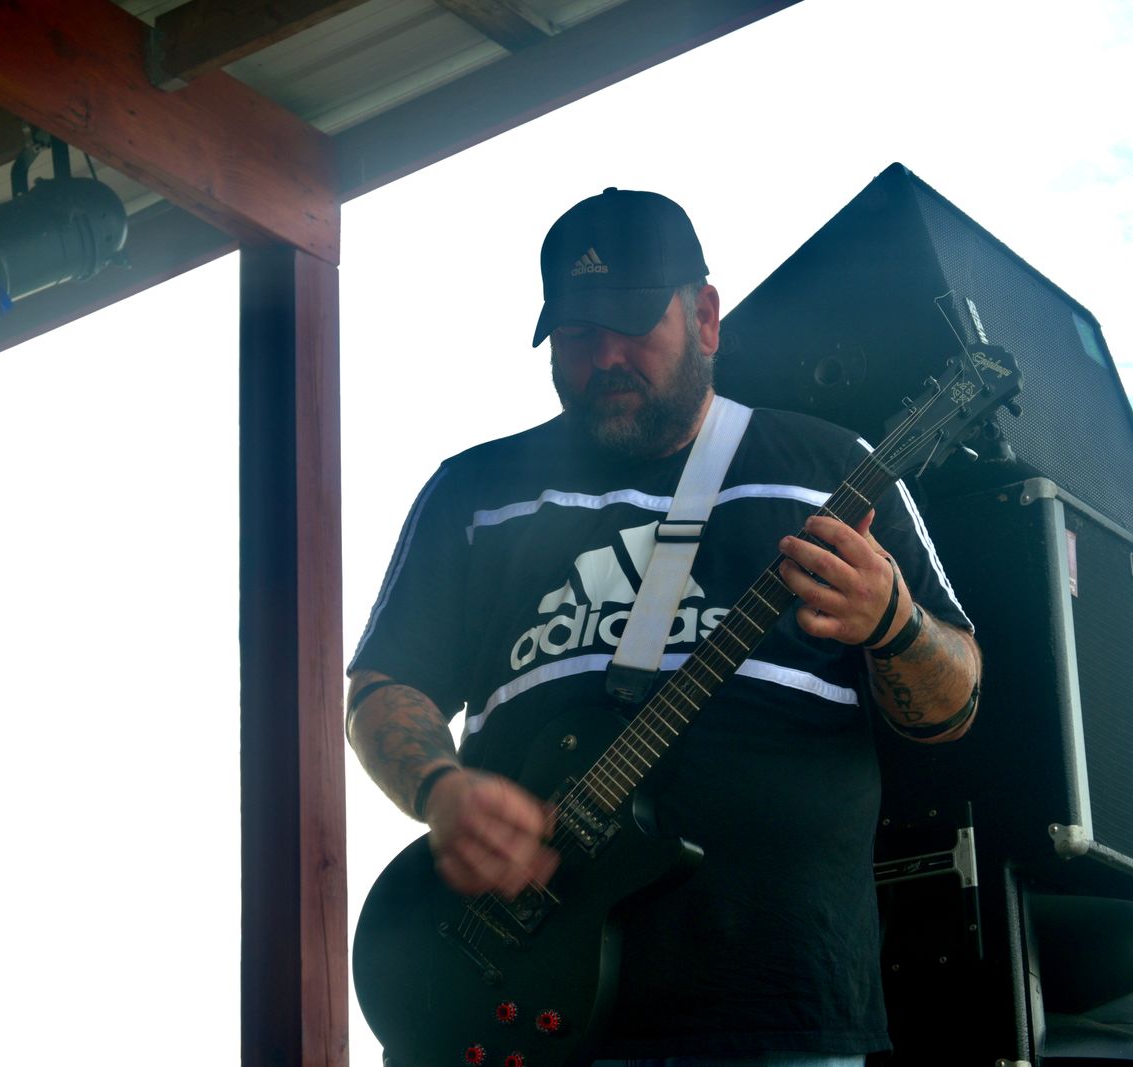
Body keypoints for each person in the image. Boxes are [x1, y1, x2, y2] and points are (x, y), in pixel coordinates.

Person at [346, 188, 982, 1065]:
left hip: (775, 1012)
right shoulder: (474, 492)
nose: (604, 355)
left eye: (631, 324)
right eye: (575, 334)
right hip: (502, 999)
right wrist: (439, 790)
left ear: (706, 317)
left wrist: (896, 623)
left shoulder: (833, 470)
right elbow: (384, 687)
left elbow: (953, 704)